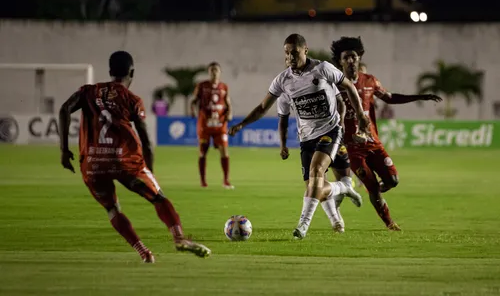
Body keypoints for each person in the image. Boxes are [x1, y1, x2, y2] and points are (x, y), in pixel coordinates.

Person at [58, 51, 211, 263]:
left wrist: (64, 150)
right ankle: (179, 239)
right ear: (132, 72)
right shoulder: (132, 99)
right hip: (126, 161)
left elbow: (64, 109)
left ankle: (143, 252)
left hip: (93, 164)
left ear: (110, 71)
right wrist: (150, 171)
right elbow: (146, 139)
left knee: (112, 209)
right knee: (159, 197)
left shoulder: (88, 91)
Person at [229, 33, 370, 239]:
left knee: (316, 170)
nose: (290, 58)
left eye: (294, 53)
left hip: (330, 130)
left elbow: (348, 86)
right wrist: (241, 124)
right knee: (316, 188)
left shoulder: (322, 69)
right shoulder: (283, 80)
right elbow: (262, 107)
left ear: (305, 50)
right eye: (287, 53)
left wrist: (360, 115)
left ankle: (302, 226)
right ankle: (343, 189)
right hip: (306, 139)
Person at [330, 36, 442, 230]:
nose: (350, 60)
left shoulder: (370, 81)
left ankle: (371, 190)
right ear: (339, 61)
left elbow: (390, 98)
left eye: (353, 56)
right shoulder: (335, 85)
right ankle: (389, 223)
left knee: (393, 181)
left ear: (359, 58)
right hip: (353, 148)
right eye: (346, 57)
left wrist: (420, 97)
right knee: (373, 188)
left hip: (373, 143)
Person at [277, 93, 356, 233]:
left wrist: (341, 121)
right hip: (307, 140)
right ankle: (341, 194)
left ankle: (303, 225)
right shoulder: (286, 88)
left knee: (316, 181)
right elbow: (283, 118)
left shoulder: (321, 77)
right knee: (313, 188)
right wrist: (283, 144)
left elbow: (340, 101)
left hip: (329, 133)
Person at [190, 62, 233, 189]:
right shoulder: (202, 86)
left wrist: (230, 114)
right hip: (205, 124)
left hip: (220, 124)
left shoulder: (224, 87)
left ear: (220, 72)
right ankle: (203, 181)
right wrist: (192, 110)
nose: (214, 72)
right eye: (212, 70)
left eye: (216, 70)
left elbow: (228, 103)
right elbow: (194, 101)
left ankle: (226, 180)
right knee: (203, 151)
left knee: (224, 151)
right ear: (209, 72)